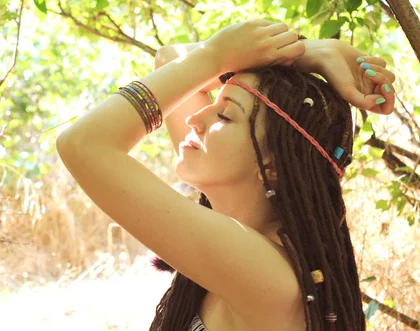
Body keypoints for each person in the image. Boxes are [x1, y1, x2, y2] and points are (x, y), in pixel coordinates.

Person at [56, 20, 397, 331]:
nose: (195, 118)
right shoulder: (243, 233)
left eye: (224, 114)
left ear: (273, 166)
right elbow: (170, 57)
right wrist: (308, 52)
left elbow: (84, 144)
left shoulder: (265, 270)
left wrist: (217, 56)